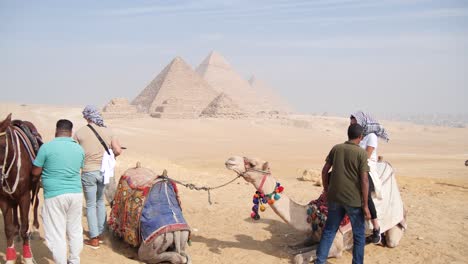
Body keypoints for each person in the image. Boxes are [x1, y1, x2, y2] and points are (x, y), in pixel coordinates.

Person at [315, 124, 371, 264]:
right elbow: (364, 180)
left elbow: (324, 171)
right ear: (360, 137)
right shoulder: (361, 153)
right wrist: (365, 205)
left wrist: (327, 191)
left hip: (335, 198)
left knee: (329, 230)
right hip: (353, 201)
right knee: (359, 235)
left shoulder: (336, 148)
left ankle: (320, 260)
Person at [32, 119, 85, 264]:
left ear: (56, 130)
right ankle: (74, 260)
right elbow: (79, 167)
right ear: (71, 132)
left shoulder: (46, 148)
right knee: (74, 230)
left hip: (54, 195)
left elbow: (35, 172)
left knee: (57, 233)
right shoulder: (79, 149)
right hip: (75, 194)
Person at [74, 105, 122, 249]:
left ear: (87, 117)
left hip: (88, 172)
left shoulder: (79, 133)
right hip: (104, 172)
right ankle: (102, 234)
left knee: (90, 204)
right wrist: (110, 156)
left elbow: (74, 152)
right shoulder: (109, 131)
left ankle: (94, 238)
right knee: (100, 201)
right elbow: (118, 150)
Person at [350, 111, 389, 244]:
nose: (352, 126)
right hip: (355, 164)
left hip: (367, 166)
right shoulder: (359, 136)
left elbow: (366, 156)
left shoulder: (371, 136)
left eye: (354, 123)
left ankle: (376, 228)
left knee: (364, 192)